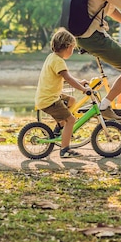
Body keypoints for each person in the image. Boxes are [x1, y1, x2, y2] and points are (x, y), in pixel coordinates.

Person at [34, 28, 89, 158]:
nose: (72, 51)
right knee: (71, 120)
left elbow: (64, 79)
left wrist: (80, 83)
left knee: (71, 101)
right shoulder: (58, 61)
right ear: (67, 47)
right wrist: (83, 89)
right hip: (50, 100)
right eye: (72, 48)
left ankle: (60, 126)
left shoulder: (51, 57)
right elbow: (68, 78)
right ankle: (65, 149)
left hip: (48, 96)